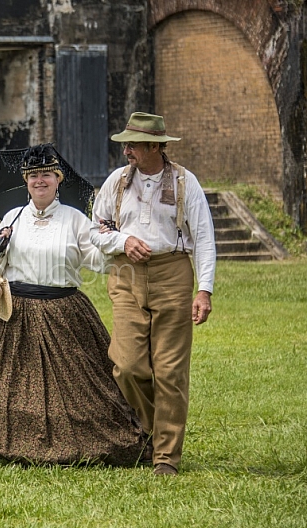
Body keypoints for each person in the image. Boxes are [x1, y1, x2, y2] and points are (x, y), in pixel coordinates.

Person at [0, 144, 146, 467]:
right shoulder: (12, 218)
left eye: (46, 174)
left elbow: (98, 261)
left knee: (80, 384)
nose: (40, 181)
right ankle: (11, 444)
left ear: (58, 179)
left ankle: (87, 442)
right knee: (15, 384)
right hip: (16, 314)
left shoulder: (75, 220)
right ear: (26, 181)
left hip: (63, 310)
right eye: (33, 175)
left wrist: (112, 241)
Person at [89, 112, 216, 476]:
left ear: (155, 146)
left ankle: (166, 457)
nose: (126, 151)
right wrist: (122, 241)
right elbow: (95, 230)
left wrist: (204, 290)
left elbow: (204, 238)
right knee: (127, 366)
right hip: (126, 275)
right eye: (125, 144)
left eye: (133, 145)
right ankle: (151, 431)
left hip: (172, 274)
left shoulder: (185, 182)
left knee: (170, 371)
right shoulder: (116, 181)